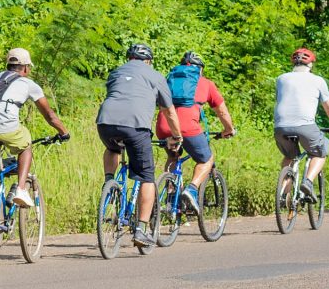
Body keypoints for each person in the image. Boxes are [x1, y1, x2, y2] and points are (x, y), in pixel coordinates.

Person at [96, 43, 182, 248]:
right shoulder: (155, 76)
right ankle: (141, 229)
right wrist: (177, 136)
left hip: (105, 123)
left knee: (112, 148)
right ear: (148, 61)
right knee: (146, 177)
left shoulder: (116, 72)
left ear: (129, 58)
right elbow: (168, 111)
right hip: (135, 127)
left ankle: (109, 184)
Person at [0, 48, 69, 207]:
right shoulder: (28, 84)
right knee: (26, 146)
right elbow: (50, 115)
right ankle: (21, 189)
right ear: (25, 68)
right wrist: (64, 132)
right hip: (7, 128)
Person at [155, 51, 236, 212]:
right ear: (200, 69)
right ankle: (191, 190)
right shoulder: (205, 83)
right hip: (187, 127)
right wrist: (228, 129)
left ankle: (171, 197)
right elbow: (222, 112)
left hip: (164, 126)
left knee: (173, 156)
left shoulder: (169, 80)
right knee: (206, 159)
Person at [273, 48, 329, 202]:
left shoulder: (281, 79)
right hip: (305, 126)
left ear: (293, 62)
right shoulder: (318, 81)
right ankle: (307, 182)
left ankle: (283, 195)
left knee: (289, 156)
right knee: (320, 151)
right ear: (311, 64)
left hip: (280, 127)